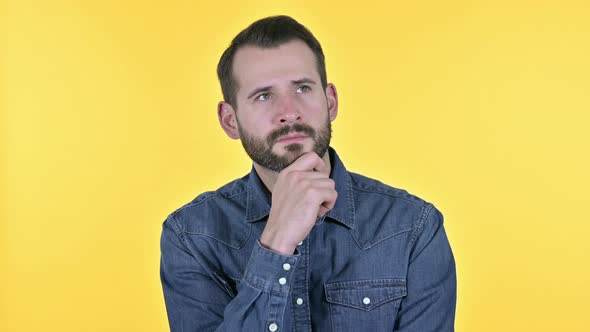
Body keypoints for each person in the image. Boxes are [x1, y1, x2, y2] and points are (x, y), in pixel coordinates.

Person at [160, 15, 456, 332]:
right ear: (230, 120)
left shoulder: (414, 228)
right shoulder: (191, 236)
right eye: (264, 95)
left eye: (302, 88)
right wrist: (275, 244)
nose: (289, 112)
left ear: (330, 102)